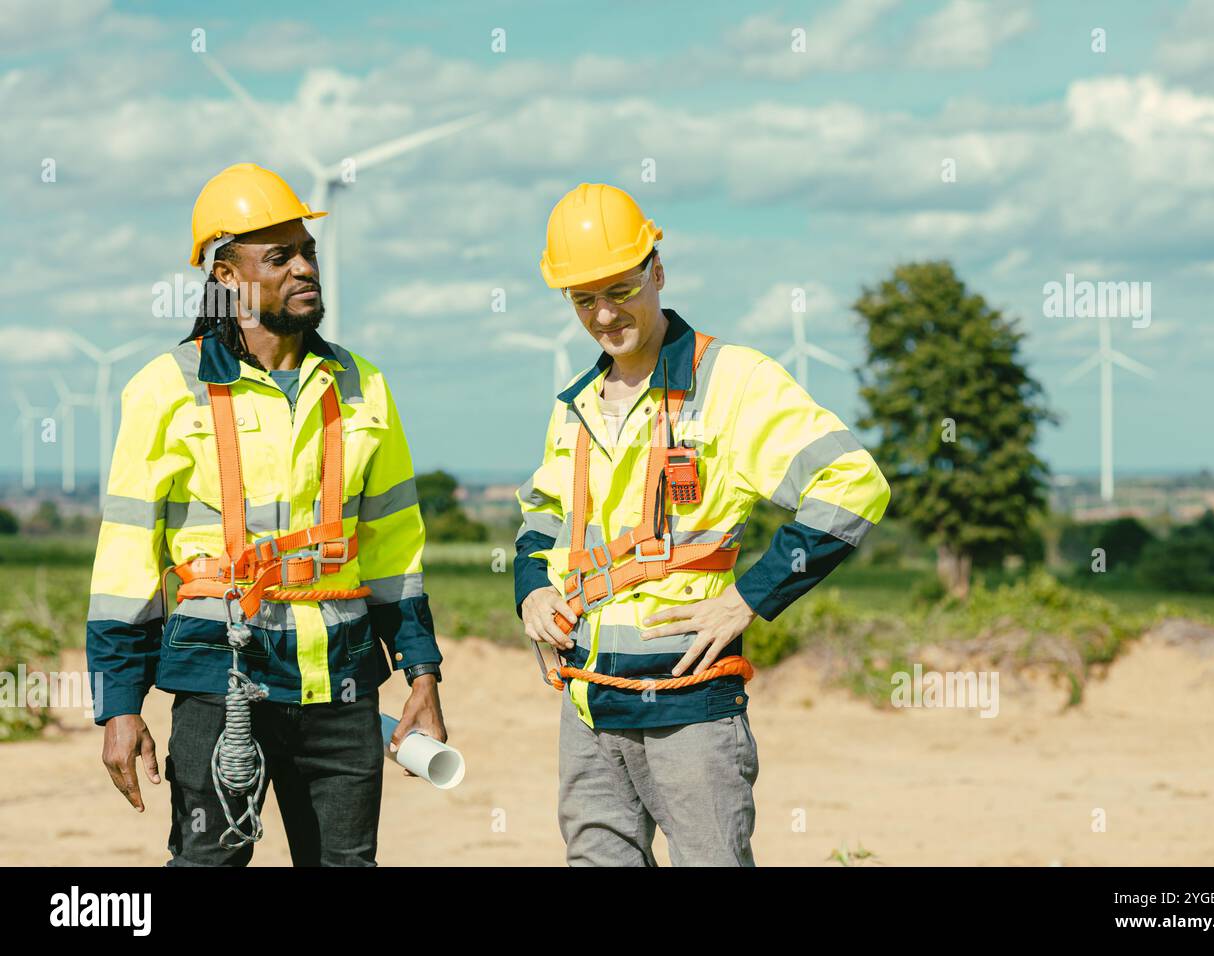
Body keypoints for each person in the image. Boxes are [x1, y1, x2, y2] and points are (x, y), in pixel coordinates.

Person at [515, 182, 891, 866]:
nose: (604, 314)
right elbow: (541, 516)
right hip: (587, 707)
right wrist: (531, 591)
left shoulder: (734, 381)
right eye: (583, 300)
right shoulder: (574, 406)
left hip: (689, 710)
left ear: (657, 270)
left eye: (620, 289)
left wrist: (753, 596)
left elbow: (853, 483)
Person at [87, 162, 446, 866]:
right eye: (280, 257)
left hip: (342, 686)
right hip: (216, 685)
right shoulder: (167, 388)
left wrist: (422, 675)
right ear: (227, 276)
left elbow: (395, 548)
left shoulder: (364, 384)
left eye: (307, 251)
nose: (306, 267)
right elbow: (127, 560)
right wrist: (119, 704)